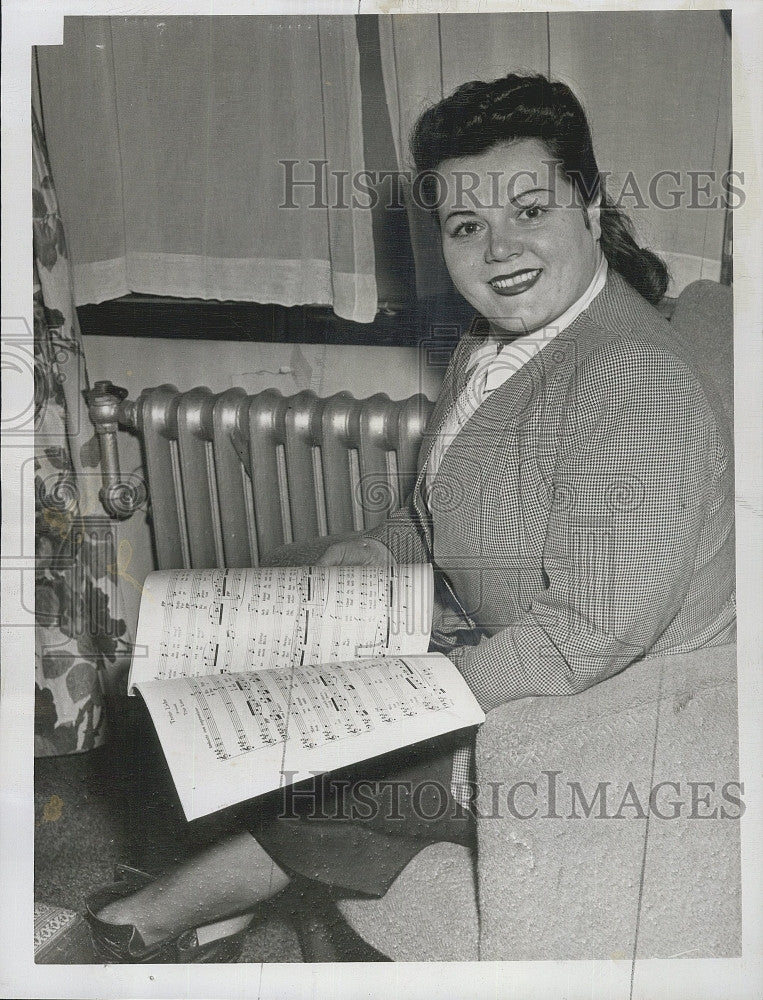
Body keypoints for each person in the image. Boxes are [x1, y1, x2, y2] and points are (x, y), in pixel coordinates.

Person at [85, 73, 735, 962]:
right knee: (242, 674)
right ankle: (209, 906)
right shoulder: (492, 341)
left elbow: (590, 634)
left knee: (324, 750)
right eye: (467, 227)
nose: (499, 250)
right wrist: (372, 549)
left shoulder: (631, 380)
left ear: (589, 207)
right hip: (512, 645)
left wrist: (409, 699)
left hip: (621, 707)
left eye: (529, 210)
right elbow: (441, 513)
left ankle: (159, 915)